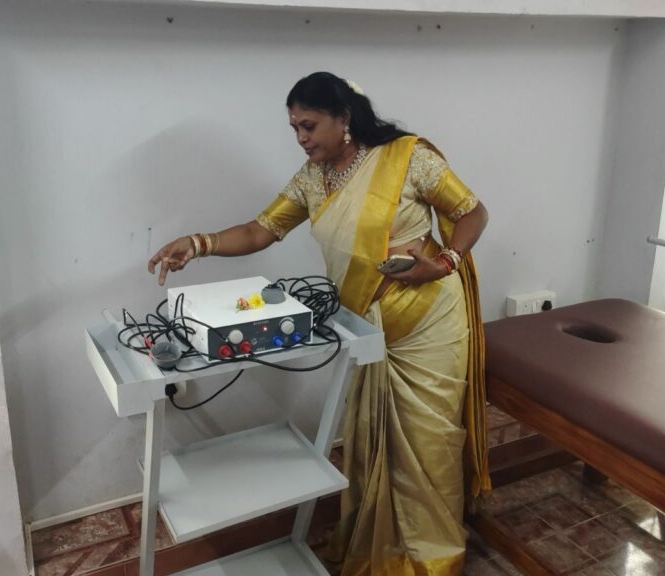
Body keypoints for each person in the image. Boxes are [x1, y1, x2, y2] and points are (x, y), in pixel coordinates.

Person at [148, 71, 490, 576]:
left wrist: (445, 262)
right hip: (368, 328)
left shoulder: (407, 157)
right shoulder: (312, 179)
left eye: (308, 126)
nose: (301, 138)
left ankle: (431, 558)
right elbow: (260, 230)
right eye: (294, 128)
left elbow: (473, 212)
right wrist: (198, 244)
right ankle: (380, 543)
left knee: (428, 444)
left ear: (343, 118)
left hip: (429, 324)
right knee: (372, 439)